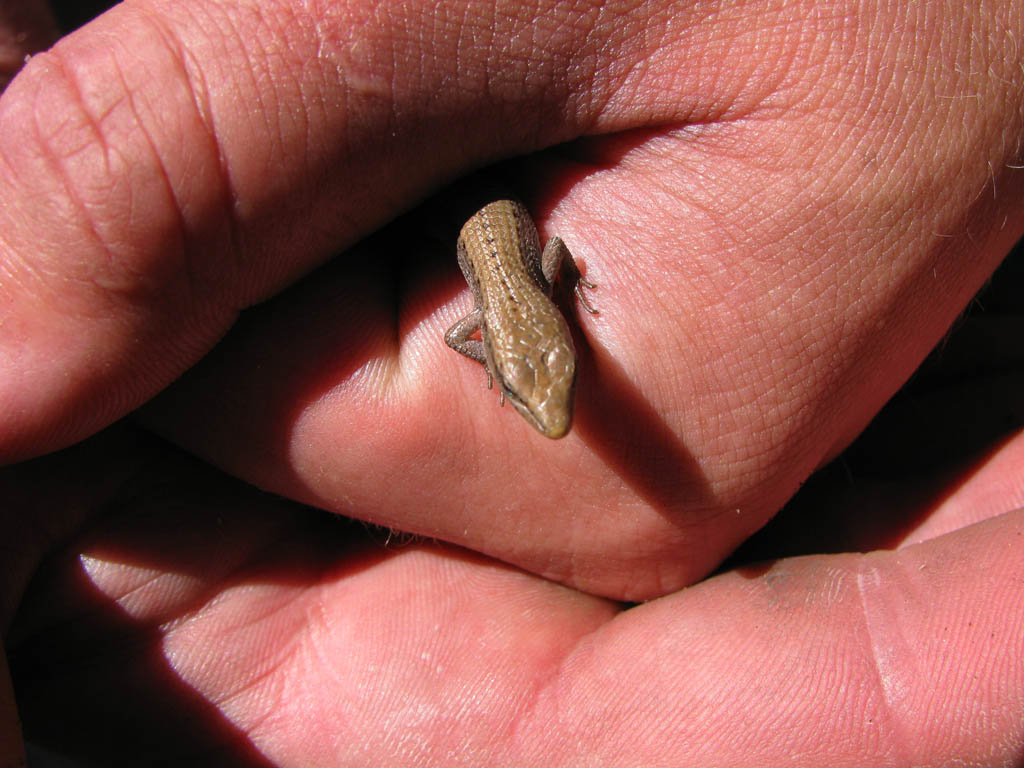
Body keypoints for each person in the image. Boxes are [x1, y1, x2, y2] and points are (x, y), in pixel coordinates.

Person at [2, 0, 1023, 764]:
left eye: (554, 391)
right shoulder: (505, 321)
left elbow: (532, 294)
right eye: (544, 392)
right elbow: (524, 296)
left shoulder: (516, 326)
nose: (553, 415)